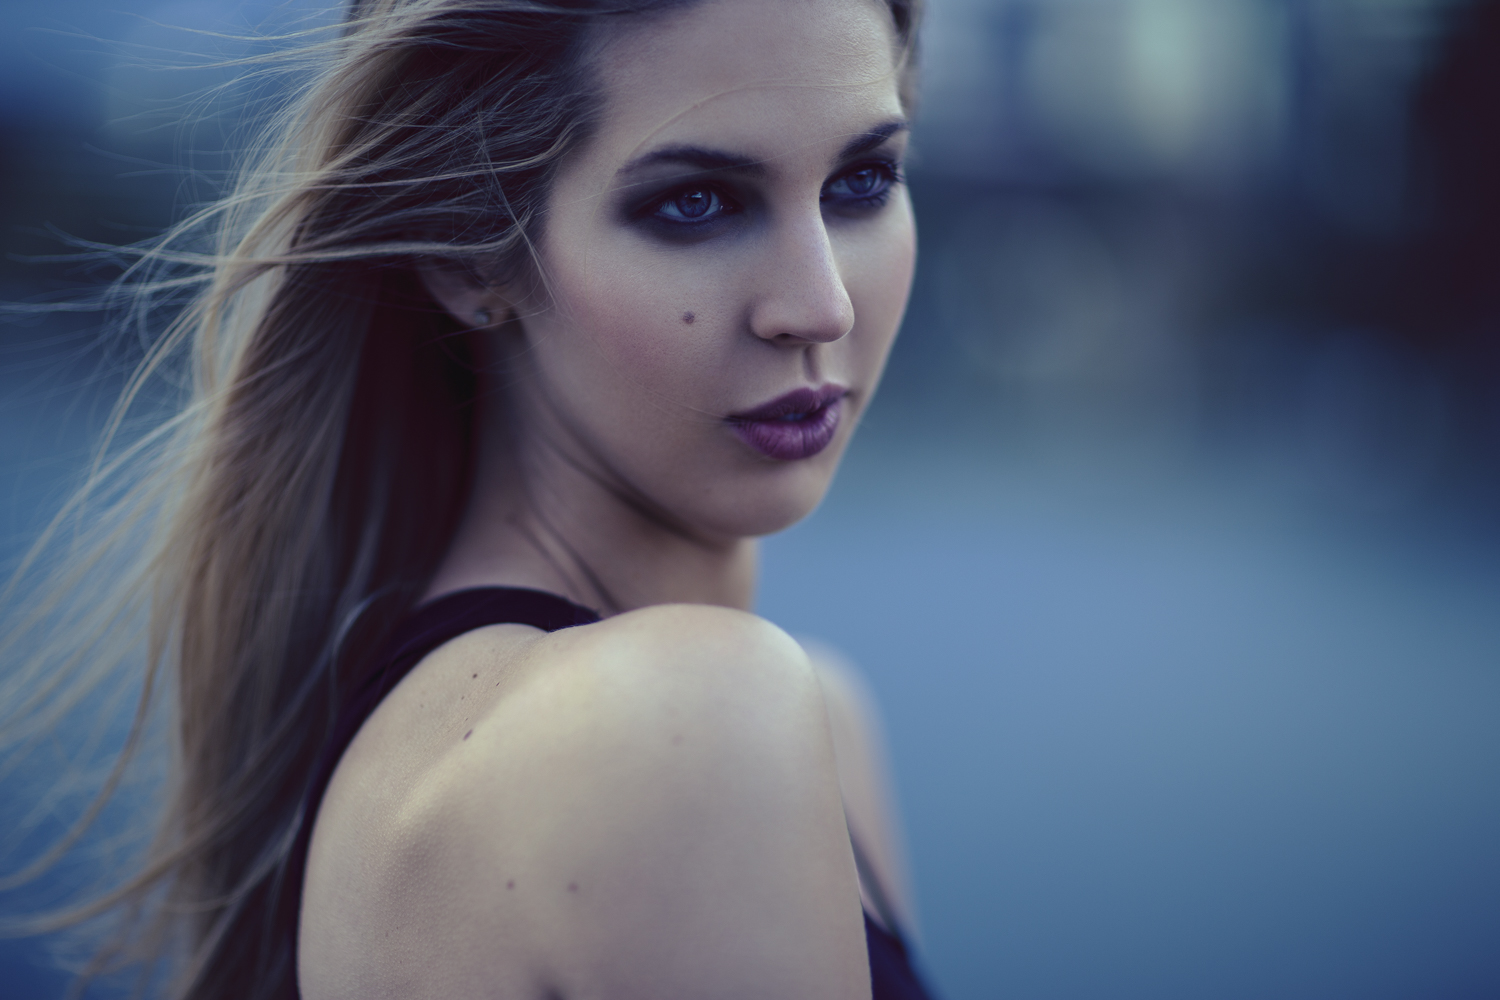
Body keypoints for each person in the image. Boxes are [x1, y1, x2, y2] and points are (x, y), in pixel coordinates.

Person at [2, 0, 930, 997]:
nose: (821, 306)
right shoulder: (686, 727)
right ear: (468, 256)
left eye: (862, 181)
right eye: (696, 203)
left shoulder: (805, 721)